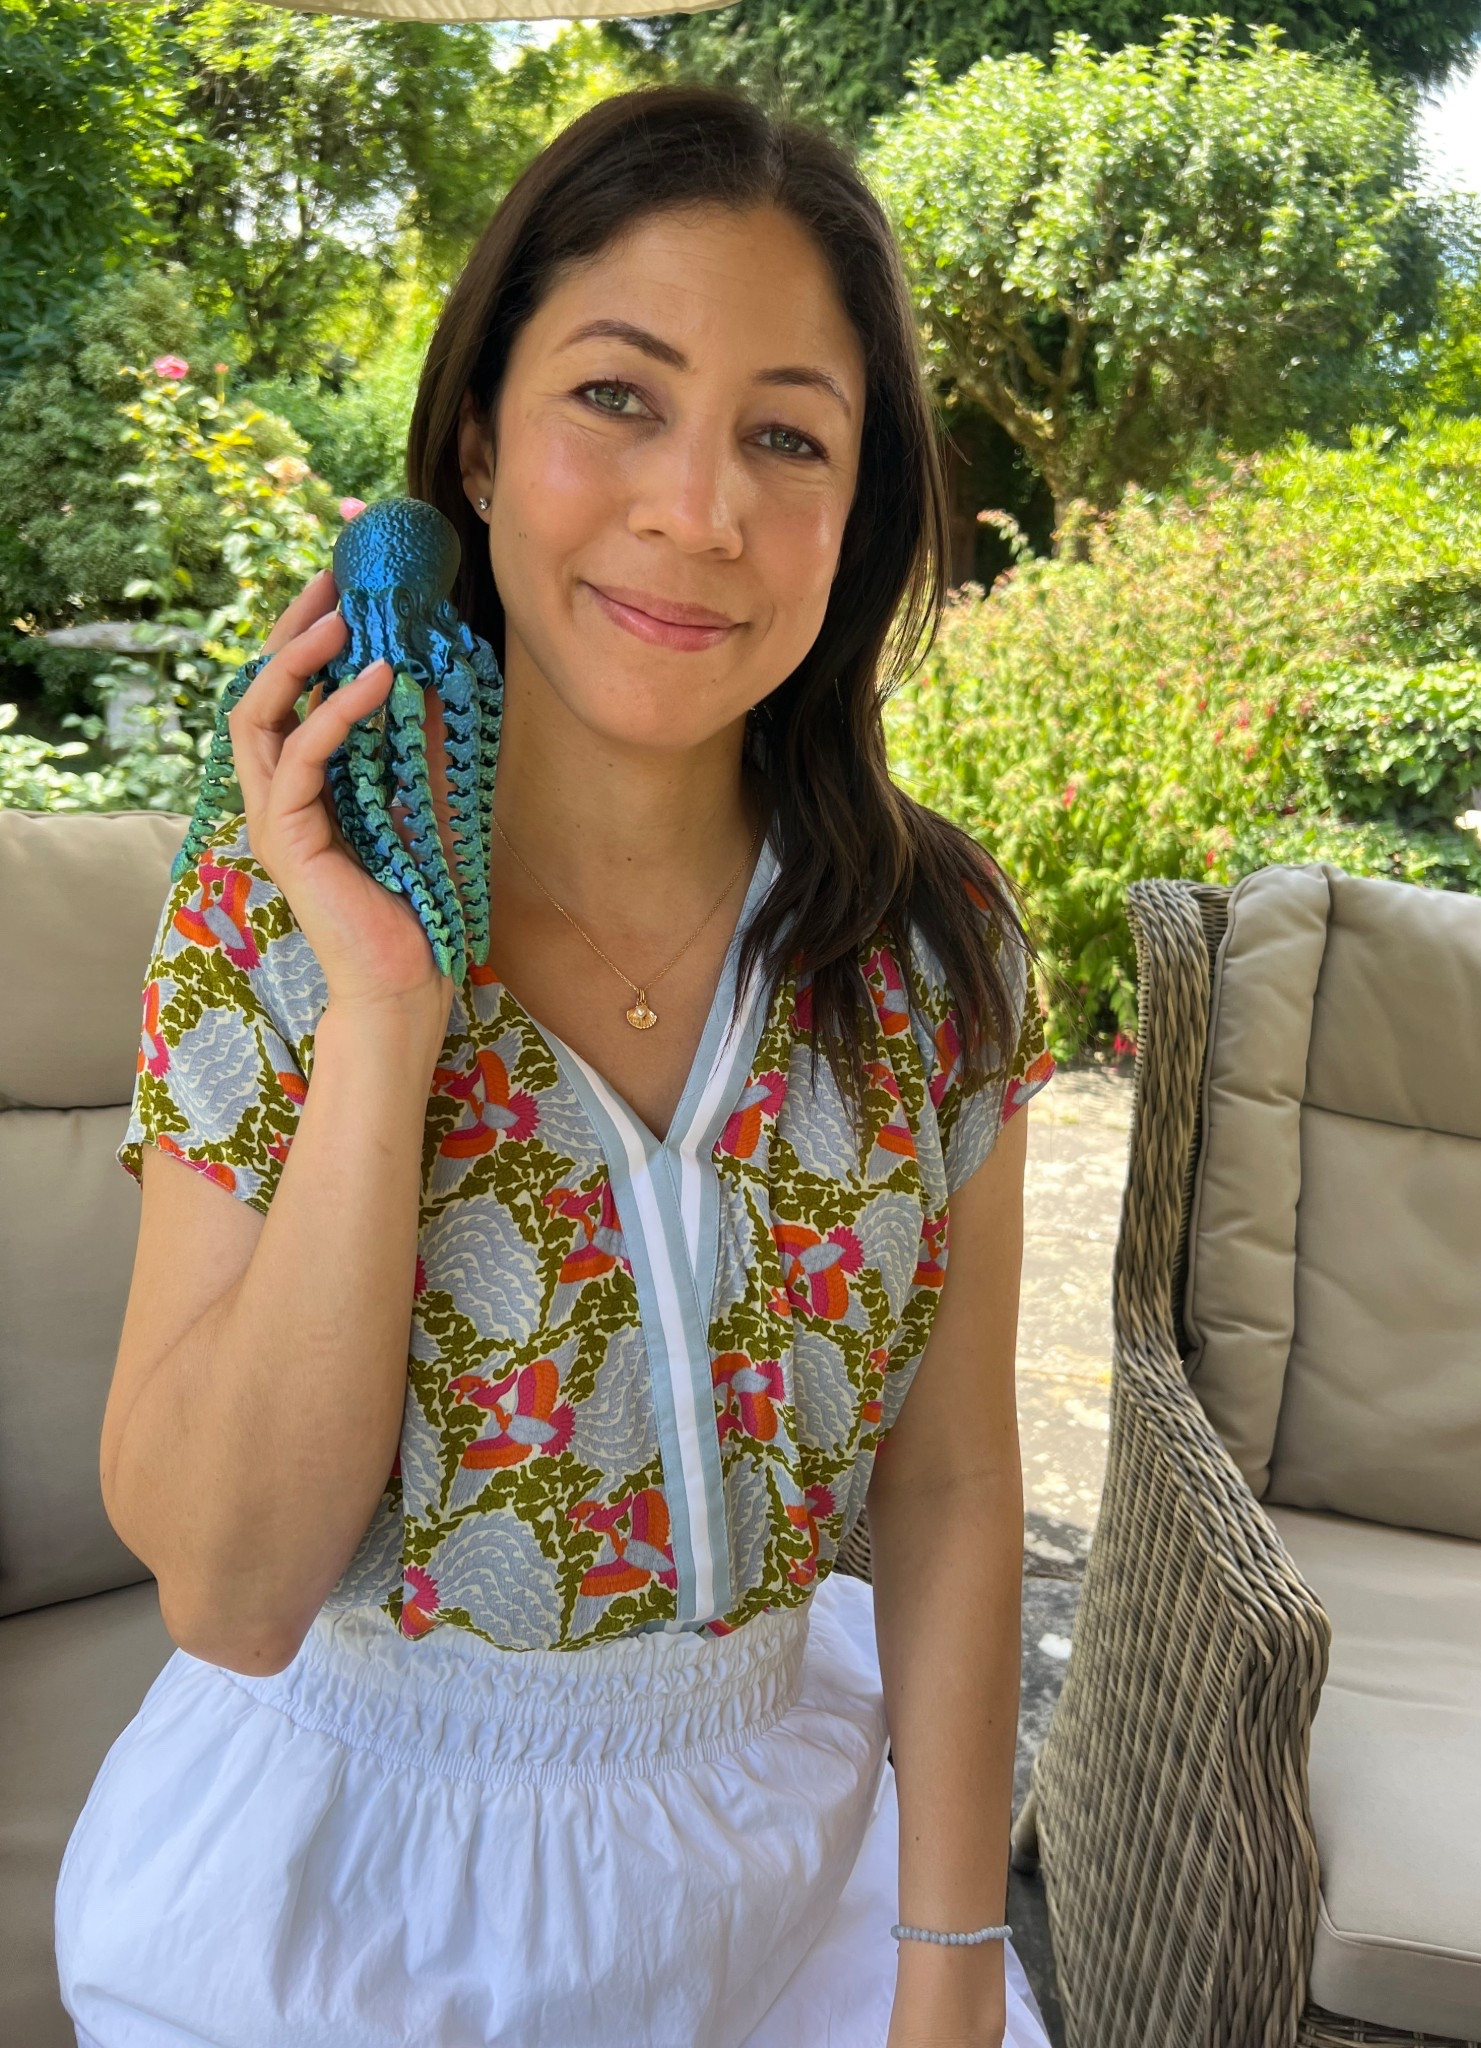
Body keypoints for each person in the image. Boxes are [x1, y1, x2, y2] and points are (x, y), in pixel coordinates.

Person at [54, 85, 1056, 2048]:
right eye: (620, 395)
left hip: (807, 1890)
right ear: (479, 450)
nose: (702, 508)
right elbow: (237, 1595)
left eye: (788, 433)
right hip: (337, 1914)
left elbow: (947, 1491)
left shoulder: (933, 947)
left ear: (853, 521)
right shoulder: (281, 909)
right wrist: (391, 1010)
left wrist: (948, 1972)